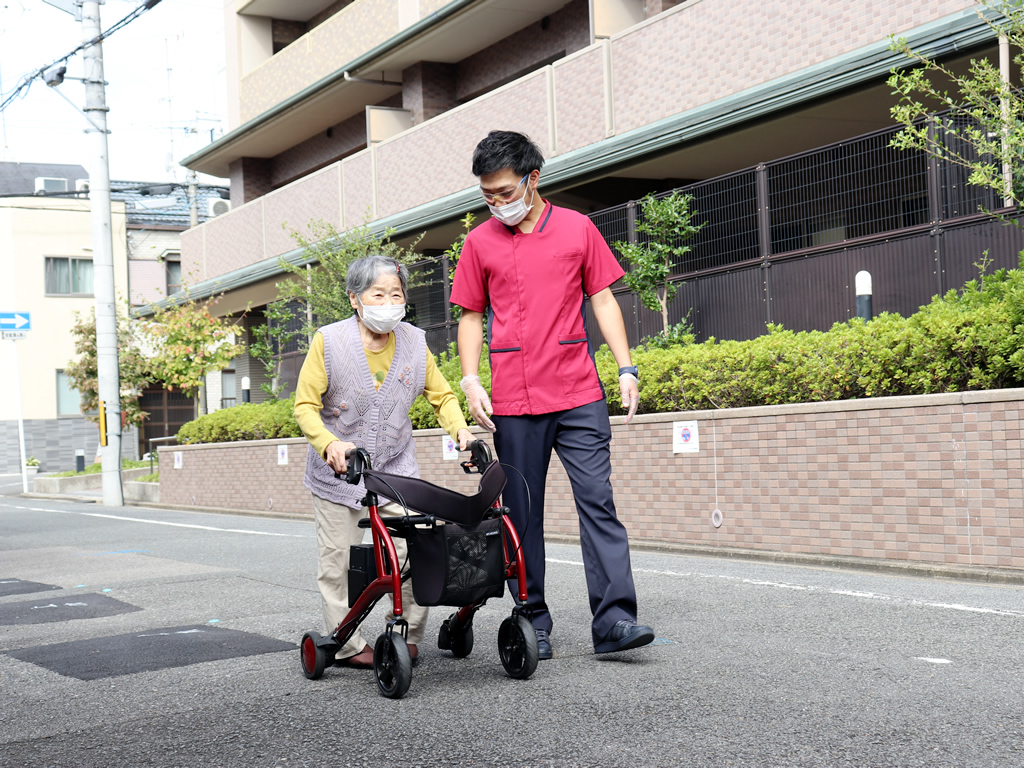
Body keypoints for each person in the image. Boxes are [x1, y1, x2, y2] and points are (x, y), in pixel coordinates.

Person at [449, 130, 654, 660]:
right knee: (521, 514)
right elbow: (470, 315)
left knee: (598, 502)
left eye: (504, 191)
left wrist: (625, 367)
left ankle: (615, 621)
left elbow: (603, 299)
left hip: (578, 389)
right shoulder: (479, 242)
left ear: (532, 178)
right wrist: (470, 379)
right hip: (514, 399)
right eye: (487, 195)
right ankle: (531, 619)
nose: (497, 203)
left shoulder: (577, 228)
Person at [294, 254, 473, 668]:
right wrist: (329, 443)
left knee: (416, 550)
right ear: (355, 298)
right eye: (378, 294)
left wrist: (460, 430)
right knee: (337, 562)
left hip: (395, 471)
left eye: (396, 294)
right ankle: (346, 644)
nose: (389, 302)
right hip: (339, 474)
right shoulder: (329, 341)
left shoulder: (414, 341)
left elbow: (441, 396)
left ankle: (406, 634)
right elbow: (304, 406)